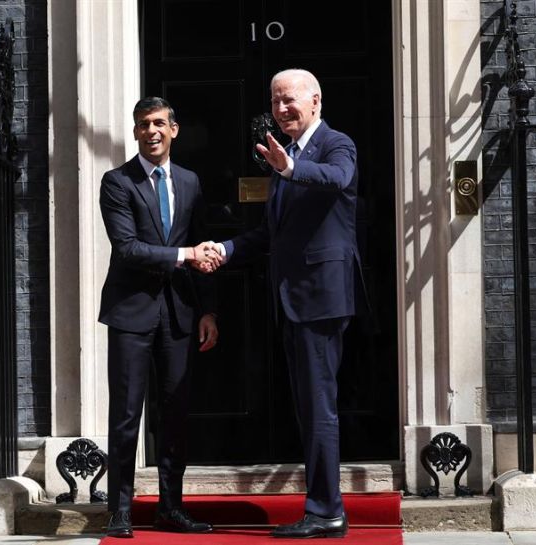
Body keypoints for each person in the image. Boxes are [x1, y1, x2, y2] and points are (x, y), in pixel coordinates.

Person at [207, 68, 367, 539]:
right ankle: (323, 506)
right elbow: (270, 234)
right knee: (310, 406)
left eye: (289, 99)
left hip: (320, 298)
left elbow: (338, 179)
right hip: (293, 299)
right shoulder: (286, 157)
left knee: (319, 408)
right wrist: (227, 250)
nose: (281, 109)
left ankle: (326, 511)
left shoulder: (335, 144)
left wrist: (291, 169)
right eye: (275, 101)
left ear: (315, 100)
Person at [99, 96, 222, 538]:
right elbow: (128, 248)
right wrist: (185, 255)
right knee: (127, 415)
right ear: (135, 133)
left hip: (179, 315)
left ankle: (172, 507)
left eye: (158, 123)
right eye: (142, 125)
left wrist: (207, 309)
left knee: (176, 414)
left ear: (174, 129)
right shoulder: (117, 182)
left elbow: (202, 243)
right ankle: (120, 511)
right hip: (131, 313)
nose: (150, 131)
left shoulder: (189, 182)